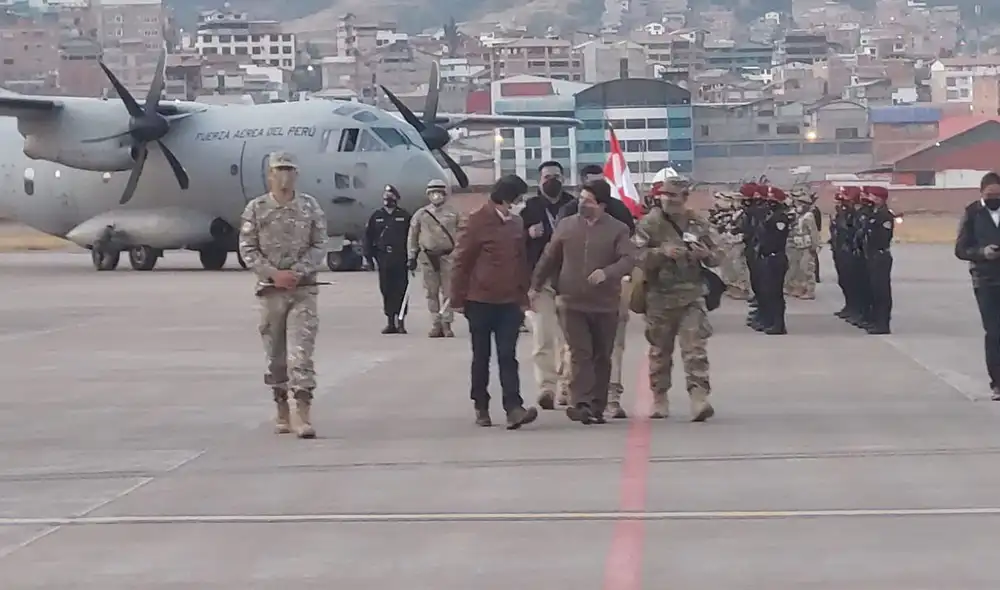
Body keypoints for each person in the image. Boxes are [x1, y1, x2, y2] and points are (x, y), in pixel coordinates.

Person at [238, 151, 328, 439]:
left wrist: (298, 272)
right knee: (275, 356)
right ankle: (281, 409)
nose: (286, 175)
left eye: (290, 169)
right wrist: (274, 274)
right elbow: (247, 248)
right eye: (280, 170)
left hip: (303, 290)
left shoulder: (310, 207)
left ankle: (303, 413)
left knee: (301, 353)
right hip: (271, 291)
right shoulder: (257, 208)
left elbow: (319, 244)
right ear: (270, 175)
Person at [531, 180, 636, 425]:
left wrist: (607, 273)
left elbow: (629, 259)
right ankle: (581, 404)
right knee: (580, 353)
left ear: (601, 204)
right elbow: (549, 256)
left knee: (601, 355)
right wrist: (535, 286)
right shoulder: (567, 226)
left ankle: (597, 406)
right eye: (581, 198)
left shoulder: (617, 229)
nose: (581, 204)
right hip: (571, 301)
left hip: (605, 303)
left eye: (588, 200)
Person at [451, 175, 540, 430]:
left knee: (507, 355)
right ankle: (481, 404)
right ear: (506, 198)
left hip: (509, 301)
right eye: (517, 199)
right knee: (481, 356)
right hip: (479, 301)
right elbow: (461, 260)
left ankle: (514, 408)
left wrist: (523, 296)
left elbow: (520, 261)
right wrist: (457, 298)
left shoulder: (515, 223)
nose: (518, 204)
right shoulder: (476, 220)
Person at [634, 177, 722, 421]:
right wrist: (661, 253)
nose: (668, 199)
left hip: (691, 295)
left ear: (684, 197)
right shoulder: (650, 224)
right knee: (660, 352)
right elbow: (636, 255)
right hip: (659, 298)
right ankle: (659, 397)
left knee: (695, 349)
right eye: (665, 195)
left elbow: (718, 256)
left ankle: (699, 397)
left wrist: (705, 255)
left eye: (673, 195)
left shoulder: (698, 223)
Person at [520, 161, 576, 410]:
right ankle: (546, 388)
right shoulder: (529, 208)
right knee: (543, 336)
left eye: (556, 176)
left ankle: (566, 385)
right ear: (539, 180)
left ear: (563, 178)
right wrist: (526, 234)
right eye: (546, 176)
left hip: (569, 279)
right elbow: (513, 241)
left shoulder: (573, 205)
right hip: (540, 280)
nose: (551, 180)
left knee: (570, 338)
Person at [954, 172, 1000, 400]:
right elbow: (961, 249)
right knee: (994, 332)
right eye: (990, 194)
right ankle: (998, 382)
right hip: (986, 280)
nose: (995, 198)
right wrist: (982, 253)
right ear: (982, 192)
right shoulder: (972, 213)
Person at [407, 179, 460, 338]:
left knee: (449, 292)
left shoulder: (454, 213)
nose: (436, 196)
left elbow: (463, 234)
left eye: (440, 192)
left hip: (448, 257)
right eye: (433, 193)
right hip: (428, 258)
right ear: (428, 195)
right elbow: (413, 236)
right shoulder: (421, 214)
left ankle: (447, 323)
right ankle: (436, 323)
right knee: (431, 292)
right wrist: (411, 256)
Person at [364, 185, 412, 334]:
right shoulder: (376, 216)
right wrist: (369, 258)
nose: (387, 200)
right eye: (385, 197)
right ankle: (390, 322)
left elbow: (411, 238)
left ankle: (401, 321)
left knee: (401, 290)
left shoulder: (404, 216)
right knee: (386, 290)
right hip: (383, 258)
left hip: (400, 258)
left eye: (390, 197)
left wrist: (413, 257)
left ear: (396, 199)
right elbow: (368, 237)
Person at [753, 186, 792, 334]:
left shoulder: (780, 217)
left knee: (775, 294)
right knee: (767, 292)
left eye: (772, 200)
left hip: (776, 258)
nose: (769, 203)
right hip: (767, 257)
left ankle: (778, 324)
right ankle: (769, 320)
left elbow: (776, 239)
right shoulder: (770, 215)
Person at [861, 185, 894, 334]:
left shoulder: (885, 215)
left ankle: (883, 323)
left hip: (880, 255)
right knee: (873, 290)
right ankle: (875, 320)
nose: (870, 199)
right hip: (872, 254)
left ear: (880, 198)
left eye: (873, 196)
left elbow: (883, 238)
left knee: (881, 291)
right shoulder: (873, 213)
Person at [784, 194, 819, 299]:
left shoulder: (809, 216)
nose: (798, 205)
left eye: (801, 203)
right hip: (797, 245)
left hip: (807, 247)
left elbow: (814, 232)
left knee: (807, 268)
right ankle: (798, 288)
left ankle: (810, 290)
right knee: (797, 269)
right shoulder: (797, 216)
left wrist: (814, 246)